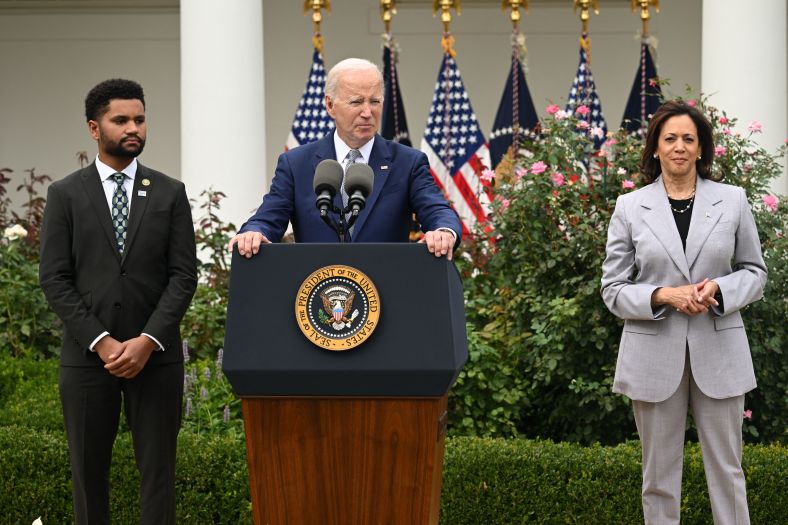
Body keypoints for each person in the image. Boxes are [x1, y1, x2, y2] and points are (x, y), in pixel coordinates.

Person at [39, 79, 198, 525]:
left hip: (157, 358)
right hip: (89, 361)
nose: (134, 128)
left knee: (159, 475)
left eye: (140, 119)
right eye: (121, 120)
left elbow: (184, 276)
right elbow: (54, 278)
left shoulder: (169, 192)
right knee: (88, 476)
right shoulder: (66, 194)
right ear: (94, 127)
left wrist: (147, 340)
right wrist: (102, 342)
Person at [601, 99, 767, 524]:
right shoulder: (629, 207)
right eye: (670, 137)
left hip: (720, 350)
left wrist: (719, 288)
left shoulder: (733, 201)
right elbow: (613, 289)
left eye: (688, 139)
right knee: (657, 477)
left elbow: (754, 272)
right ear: (656, 146)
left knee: (728, 472)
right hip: (653, 357)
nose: (679, 146)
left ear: (701, 148)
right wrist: (663, 296)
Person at [228, 57, 461, 257]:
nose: (368, 112)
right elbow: (269, 217)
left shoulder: (407, 162)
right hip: (317, 294)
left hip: (385, 292)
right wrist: (254, 233)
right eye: (357, 102)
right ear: (330, 105)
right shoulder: (296, 163)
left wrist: (443, 231)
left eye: (375, 101)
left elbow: (437, 210)